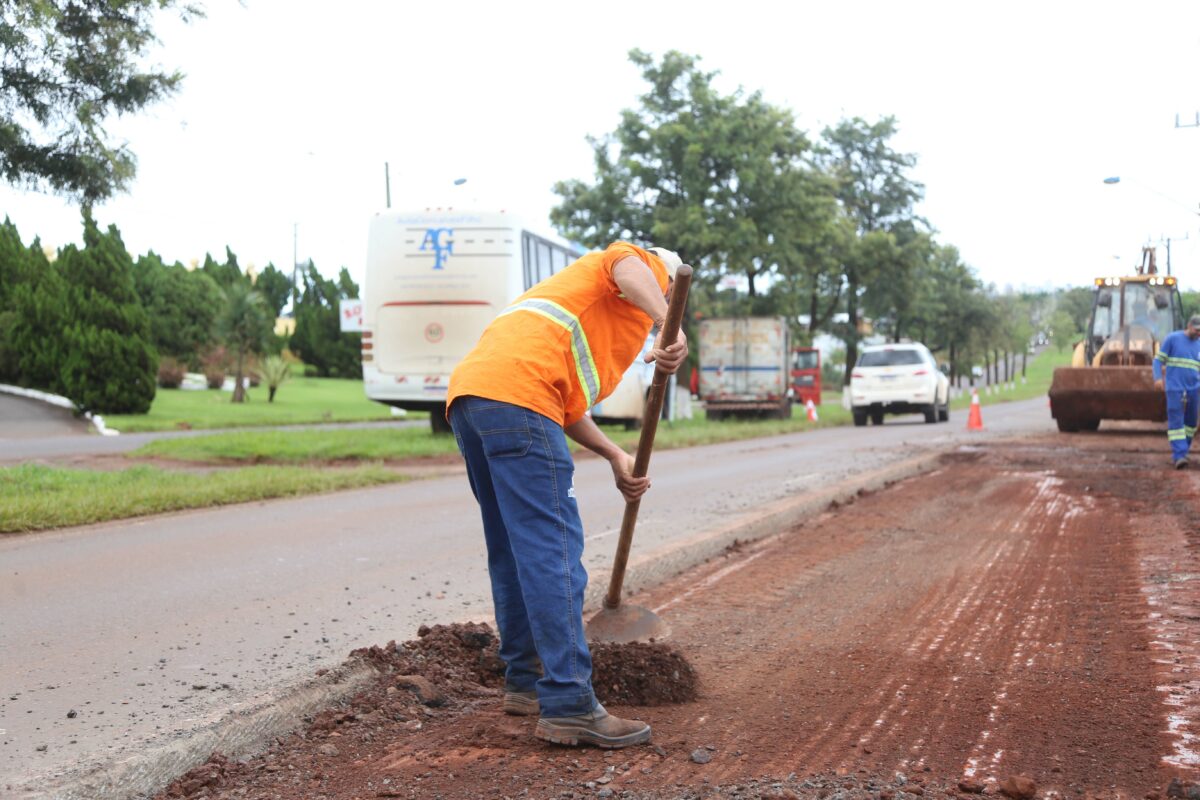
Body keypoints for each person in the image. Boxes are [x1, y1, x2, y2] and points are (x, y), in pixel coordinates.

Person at [446, 242, 687, 748]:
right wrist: (669, 318)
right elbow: (627, 266)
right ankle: (570, 701)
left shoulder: (585, 312)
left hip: (475, 400)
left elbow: (566, 405)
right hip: (516, 400)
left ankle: (527, 682)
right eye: (662, 289)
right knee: (551, 552)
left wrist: (613, 455)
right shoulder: (631, 262)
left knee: (514, 550)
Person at [1153, 314, 1200, 469]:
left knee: (1191, 423)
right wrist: (1158, 377)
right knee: (1176, 420)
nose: (1198, 333)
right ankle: (1179, 455)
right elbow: (1158, 360)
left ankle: (1183, 450)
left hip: (1194, 388)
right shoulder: (1173, 339)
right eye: (1196, 329)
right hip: (1174, 388)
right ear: (1188, 325)